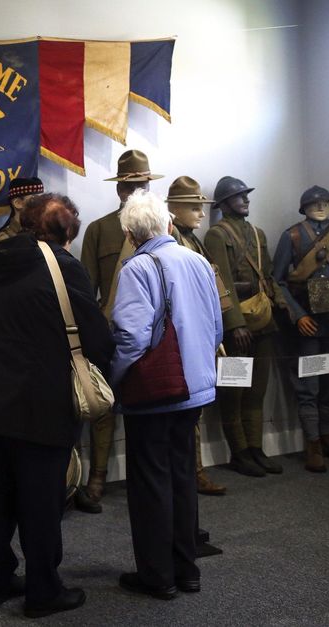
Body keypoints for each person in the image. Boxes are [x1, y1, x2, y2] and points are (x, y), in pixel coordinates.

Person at [0, 193, 113, 618]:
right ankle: (44, 592)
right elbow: (96, 338)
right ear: (67, 231)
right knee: (41, 504)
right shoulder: (62, 266)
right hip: (38, 404)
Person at [110, 190, 223, 600]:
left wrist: (115, 377)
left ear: (129, 232)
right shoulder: (196, 261)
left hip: (154, 391)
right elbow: (216, 326)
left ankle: (158, 577)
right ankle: (187, 570)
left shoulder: (138, 267)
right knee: (181, 477)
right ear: (170, 224)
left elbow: (130, 336)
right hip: (195, 387)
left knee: (150, 484)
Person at [77, 149, 164, 511]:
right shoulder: (100, 230)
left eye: (143, 183)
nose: (138, 189)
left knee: (150, 405)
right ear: (119, 190)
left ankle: (145, 476)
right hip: (113, 331)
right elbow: (85, 289)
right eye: (130, 184)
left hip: (156, 334)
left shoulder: (161, 227)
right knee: (103, 409)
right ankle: (97, 476)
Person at [205, 176, 283, 477]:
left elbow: (268, 276)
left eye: (246, 195)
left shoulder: (257, 233)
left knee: (256, 391)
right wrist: (235, 324)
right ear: (224, 204)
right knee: (234, 391)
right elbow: (220, 282)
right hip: (236, 325)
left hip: (262, 320)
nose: (246, 200)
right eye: (239, 196)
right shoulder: (216, 235)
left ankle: (255, 448)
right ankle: (239, 452)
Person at [271, 185, 329, 472]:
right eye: (314, 203)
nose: (321, 206)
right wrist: (298, 315)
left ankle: (325, 435)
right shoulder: (293, 235)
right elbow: (277, 281)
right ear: (304, 208)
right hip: (308, 324)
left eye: (325, 202)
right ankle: (312, 441)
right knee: (309, 383)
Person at [166, 176, 228, 496]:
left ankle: (194, 470)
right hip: (183, 336)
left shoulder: (194, 240)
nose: (202, 214)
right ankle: (191, 472)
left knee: (195, 407)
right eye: (194, 208)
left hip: (200, 333)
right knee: (187, 408)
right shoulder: (173, 242)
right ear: (174, 210)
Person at [0, 176, 44, 251]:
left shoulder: (46, 234)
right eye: (35, 200)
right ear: (17, 203)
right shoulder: (3, 242)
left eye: (43, 200)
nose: (43, 205)